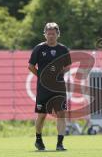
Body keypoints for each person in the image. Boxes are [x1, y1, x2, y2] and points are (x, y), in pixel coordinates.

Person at [28, 22, 71, 150]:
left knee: (61, 113)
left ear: (58, 34)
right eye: (48, 33)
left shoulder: (63, 49)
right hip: (43, 88)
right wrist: (42, 77)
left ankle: (60, 143)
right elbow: (30, 66)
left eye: (53, 33)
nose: (51, 36)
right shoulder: (39, 48)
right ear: (45, 34)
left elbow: (68, 66)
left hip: (58, 87)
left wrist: (58, 74)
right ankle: (38, 140)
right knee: (42, 115)